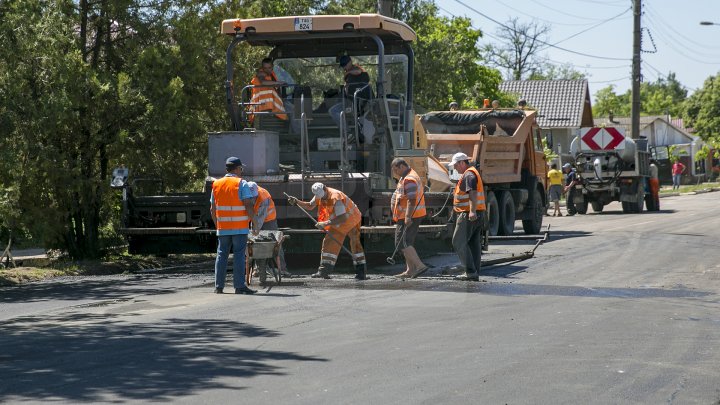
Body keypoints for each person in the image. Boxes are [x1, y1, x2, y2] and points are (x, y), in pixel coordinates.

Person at [288, 182, 367, 280]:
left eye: (323, 196)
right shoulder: (319, 194)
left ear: (325, 189)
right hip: (339, 221)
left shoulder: (335, 197)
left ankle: (361, 272)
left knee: (355, 243)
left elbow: (342, 218)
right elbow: (310, 205)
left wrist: (325, 223)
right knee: (329, 242)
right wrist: (297, 202)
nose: (322, 199)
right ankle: (324, 271)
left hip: (352, 219)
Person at [210, 157, 257, 295]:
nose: (241, 171)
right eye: (241, 169)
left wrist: (217, 225)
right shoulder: (241, 183)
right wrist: (254, 222)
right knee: (238, 256)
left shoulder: (216, 184)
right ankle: (239, 286)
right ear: (237, 169)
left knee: (221, 255)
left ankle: (219, 287)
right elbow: (248, 204)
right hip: (239, 227)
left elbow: (212, 209)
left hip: (223, 228)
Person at [449, 152, 486, 281]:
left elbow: (473, 193)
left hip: (468, 214)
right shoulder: (472, 172)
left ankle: (470, 272)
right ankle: (474, 271)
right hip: (478, 213)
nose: (455, 168)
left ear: (462, 163)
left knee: (458, 242)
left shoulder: (469, 174)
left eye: (455, 165)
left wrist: (472, 211)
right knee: (473, 243)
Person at [389, 158, 429, 279]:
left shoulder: (409, 179)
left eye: (396, 170)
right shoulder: (405, 177)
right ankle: (410, 270)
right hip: (407, 215)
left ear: (402, 166)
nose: (395, 173)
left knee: (402, 242)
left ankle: (420, 266)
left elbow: (412, 200)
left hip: (410, 215)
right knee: (406, 242)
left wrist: (407, 217)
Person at [246, 182, 289, 277]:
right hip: (256, 218)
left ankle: (282, 269)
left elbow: (260, 219)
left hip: (269, 220)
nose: (252, 198)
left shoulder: (263, 197)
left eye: (254, 196)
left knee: (276, 243)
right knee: (255, 244)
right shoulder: (245, 192)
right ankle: (259, 269)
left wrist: (254, 231)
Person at [328, 55, 374, 141]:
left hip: (362, 103)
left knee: (362, 120)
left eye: (345, 64)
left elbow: (358, 72)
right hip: (350, 102)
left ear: (350, 62)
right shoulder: (348, 76)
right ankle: (348, 133)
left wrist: (347, 73)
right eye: (343, 66)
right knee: (333, 111)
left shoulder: (357, 68)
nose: (344, 67)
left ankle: (365, 138)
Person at [249, 57, 289, 123]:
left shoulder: (272, 76)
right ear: (262, 67)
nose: (267, 70)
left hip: (268, 105)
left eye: (269, 68)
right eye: (265, 68)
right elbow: (263, 82)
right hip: (260, 106)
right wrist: (278, 83)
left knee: (291, 110)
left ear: (272, 67)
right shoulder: (261, 74)